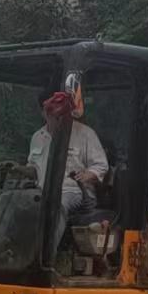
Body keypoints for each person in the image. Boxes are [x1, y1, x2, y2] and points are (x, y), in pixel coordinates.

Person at [28, 90, 108, 246]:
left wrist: (87, 175)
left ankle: (45, 253)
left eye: (62, 116)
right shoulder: (38, 137)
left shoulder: (85, 134)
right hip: (41, 191)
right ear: (44, 113)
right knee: (10, 200)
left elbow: (101, 165)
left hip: (75, 191)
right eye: (54, 116)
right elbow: (32, 166)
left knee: (57, 204)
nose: (58, 121)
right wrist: (23, 171)